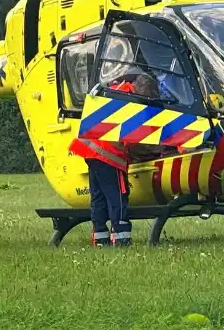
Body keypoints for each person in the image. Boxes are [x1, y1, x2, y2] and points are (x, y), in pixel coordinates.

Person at [69, 72, 161, 248]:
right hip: (108, 156)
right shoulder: (132, 104)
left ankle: (100, 237)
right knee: (117, 196)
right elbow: (132, 140)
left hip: (88, 150)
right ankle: (121, 237)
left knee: (98, 197)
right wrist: (156, 147)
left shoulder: (116, 90)